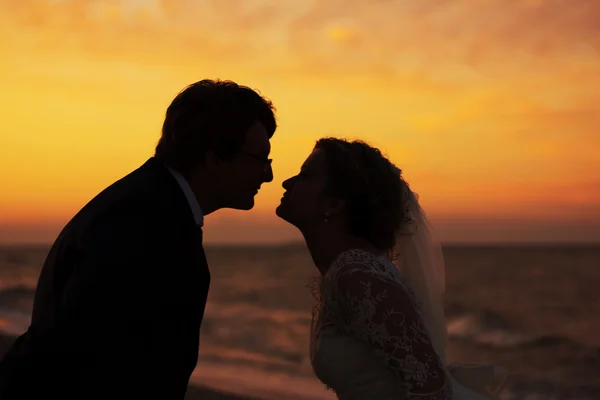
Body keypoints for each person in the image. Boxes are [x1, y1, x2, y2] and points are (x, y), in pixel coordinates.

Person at [0, 79, 277, 400]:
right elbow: (88, 357)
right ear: (214, 159)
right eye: (260, 158)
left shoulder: (148, 207)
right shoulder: (145, 222)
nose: (268, 174)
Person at [276, 137, 507, 399]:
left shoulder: (357, 276)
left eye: (305, 176)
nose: (287, 182)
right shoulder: (345, 271)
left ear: (335, 204)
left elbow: (432, 391)